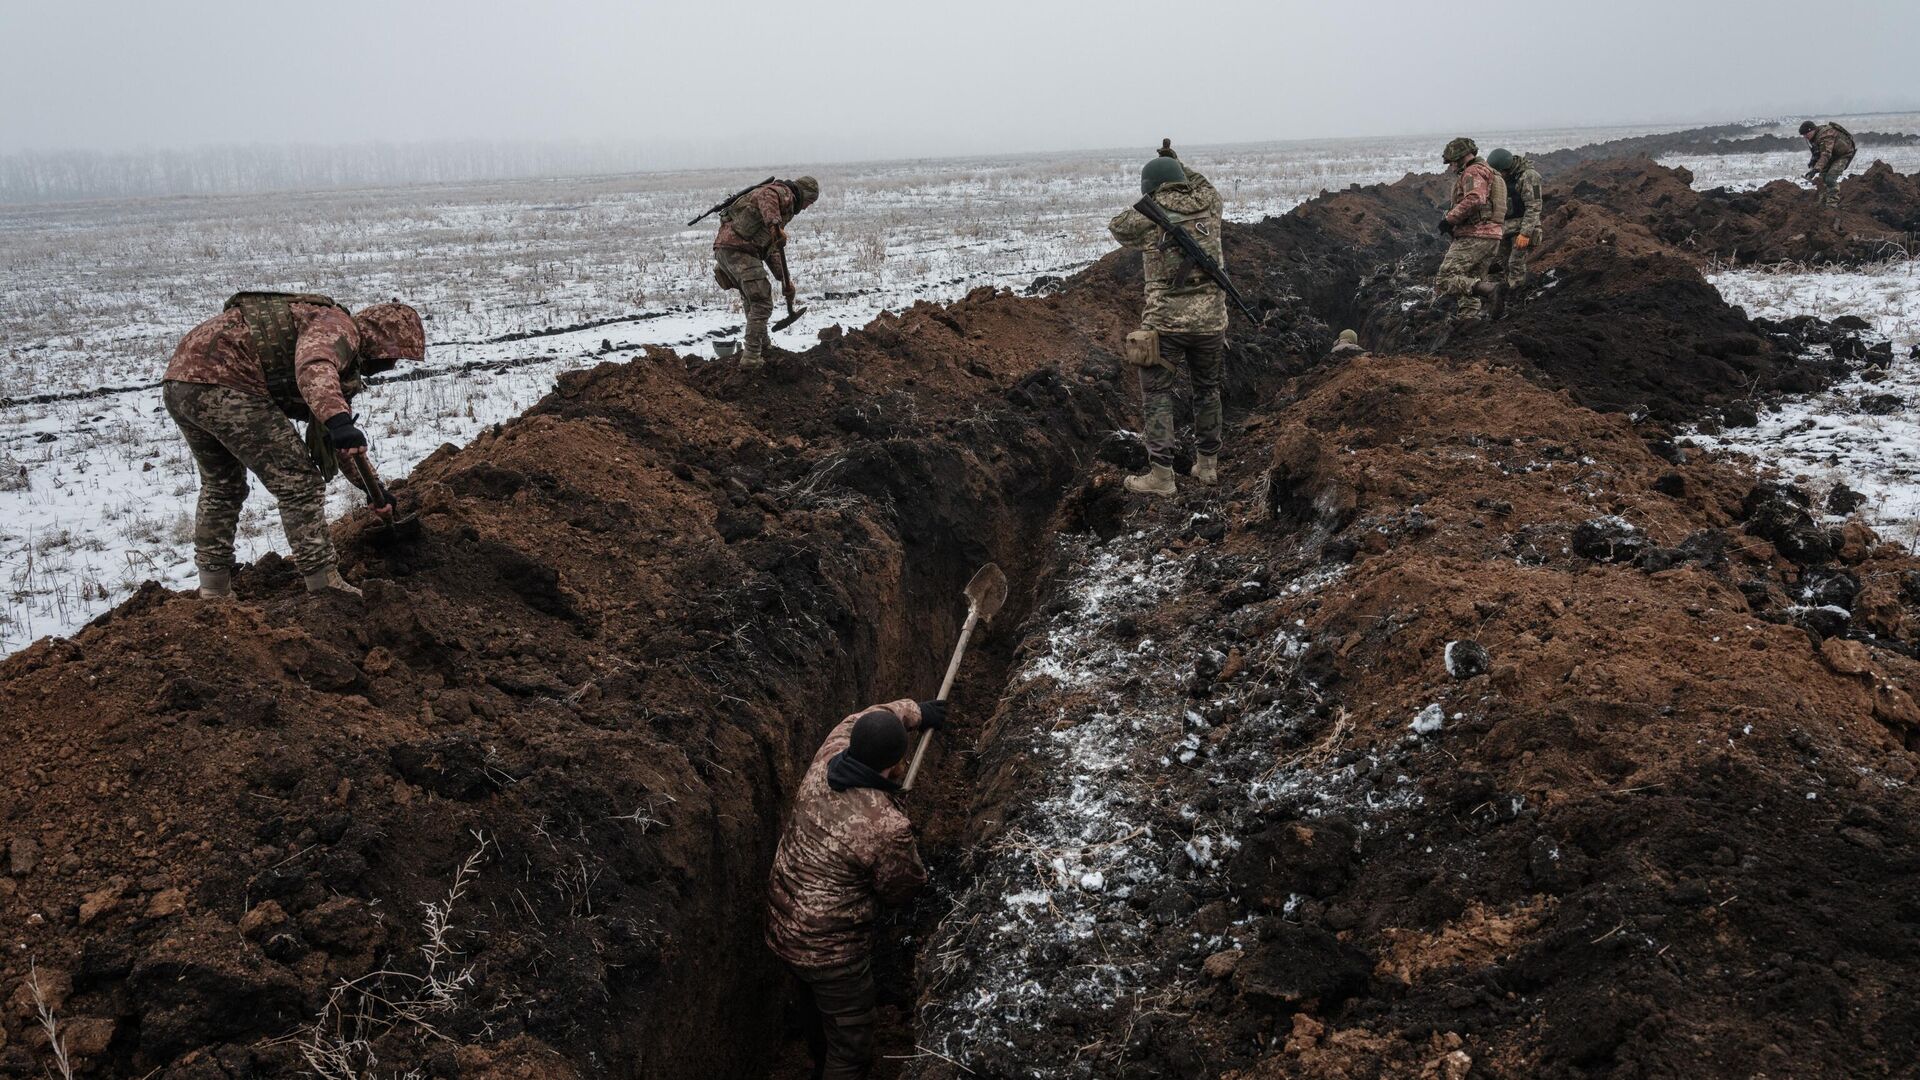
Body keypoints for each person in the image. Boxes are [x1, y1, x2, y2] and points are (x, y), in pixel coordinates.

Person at [163, 292, 424, 601]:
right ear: (379, 337)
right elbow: (314, 366)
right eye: (391, 356)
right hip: (229, 381)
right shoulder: (340, 327)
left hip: (182, 382)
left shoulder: (335, 360)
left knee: (223, 486)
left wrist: (373, 489)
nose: (390, 365)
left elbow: (338, 440)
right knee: (298, 480)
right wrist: (340, 420)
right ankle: (324, 583)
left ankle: (214, 590)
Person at [766, 698, 945, 1080]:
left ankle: (818, 1060)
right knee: (851, 1050)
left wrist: (916, 711)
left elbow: (863, 717)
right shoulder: (885, 827)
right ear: (895, 764)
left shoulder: (827, 756)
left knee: (815, 1012)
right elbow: (903, 889)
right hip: (833, 954)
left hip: (783, 924)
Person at [1108, 140, 1228, 496]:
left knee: (1157, 393)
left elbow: (1118, 227)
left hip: (1165, 324)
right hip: (1211, 321)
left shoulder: (1149, 213)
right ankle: (1207, 467)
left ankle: (1161, 476)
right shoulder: (1211, 202)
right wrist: (1179, 165)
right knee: (1207, 390)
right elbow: (1200, 182)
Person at [712, 176, 820, 368]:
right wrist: (774, 224)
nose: (807, 208)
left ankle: (762, 345)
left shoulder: (784, 208)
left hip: (728, 249)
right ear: (804, 195)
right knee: (762, 302)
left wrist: (784, 279)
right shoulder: (782, 193)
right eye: (810, 202)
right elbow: (765, 194)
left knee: (752, 299)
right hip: (739, 250)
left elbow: (770, 249)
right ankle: (751, 357)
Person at [1434, 137, 1507, 323]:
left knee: (1444, 279)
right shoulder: (1492, 173)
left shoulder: (1473, 172)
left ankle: (1491, 290)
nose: (1450, 167)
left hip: (1475, 235)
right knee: (1470, 280)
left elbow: (1475, 198)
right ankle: (1469, 321)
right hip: (1493, 236)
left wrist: (1449, 220)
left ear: (1460, 157)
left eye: (1451, 162)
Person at [1485, 147, 1543, 309]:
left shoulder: (1529, 177)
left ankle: (1516, 299)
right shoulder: (1502, 178)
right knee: (1502, 262)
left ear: (1506, 168)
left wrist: (1525, 233)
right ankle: (1503, 294)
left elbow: (1534, 207)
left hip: (1525, 226)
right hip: (1506, 228)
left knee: (1515, 263)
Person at [1800, 120, 1856, 209]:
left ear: (1812, 130)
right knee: (1822, 179)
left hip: (1843, 155)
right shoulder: (1814, 137)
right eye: (1803, 135)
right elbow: (1818, 152)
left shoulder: (1825, 135)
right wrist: (1813, 162)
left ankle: (1832, 205)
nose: (1805, 137)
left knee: (1830, 178)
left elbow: (1826, 154)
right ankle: (1823, 202)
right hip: (1832, 156)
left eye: (1806, 134)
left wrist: (1815, 169)